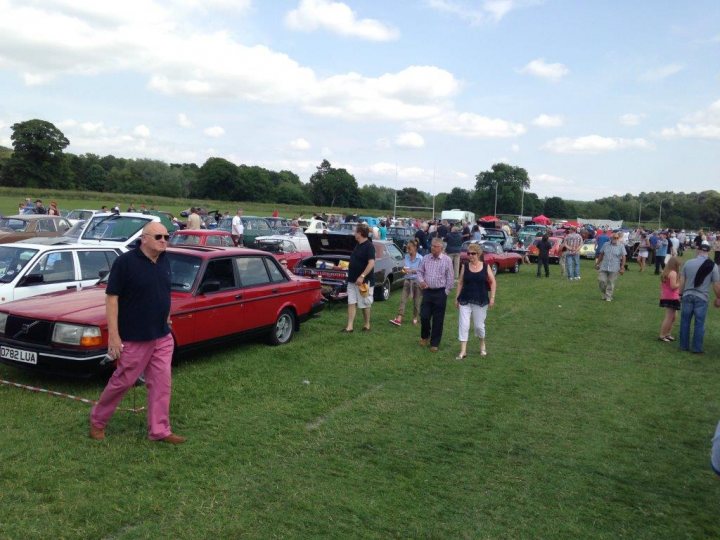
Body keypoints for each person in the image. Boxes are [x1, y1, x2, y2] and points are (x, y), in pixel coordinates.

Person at [89, 222, 185, 444]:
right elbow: (112, 298)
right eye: (159, 237)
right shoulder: (125, 263)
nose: (164, 241)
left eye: (166, 237)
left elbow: (164, 291)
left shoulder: (164, 260)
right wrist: (114, 335)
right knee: (123, 381)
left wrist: (167, 315)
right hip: (134, 337)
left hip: (161, 335)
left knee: (162, 383)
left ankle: (159, 430)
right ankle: (98, 421)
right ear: (145, 239)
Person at [454, 243, 496, 359]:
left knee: (479, 326)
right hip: (465, 299)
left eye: (473, 253)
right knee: (464, 324)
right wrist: (457, 298)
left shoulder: (486, 266)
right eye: (468, 253)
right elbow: (461, 282)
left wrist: (492, 298)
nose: (470, 256)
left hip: (480, 300)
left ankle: (482, 343)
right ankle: (463, 351)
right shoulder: (465, 266)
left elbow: (492, 282)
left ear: (478, 254)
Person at [678, 241, 720, 353]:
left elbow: (682, 281)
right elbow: (716, 285)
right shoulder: (713, 266)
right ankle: (696, 348)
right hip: (702, 297)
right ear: (709, 251)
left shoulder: (688, 263)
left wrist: (679, 294)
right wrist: (718, 297)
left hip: (687, 294)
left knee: (685, 321)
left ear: (698, 250)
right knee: (699, 323)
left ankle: (683, 345)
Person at [416, 237, 455, 352]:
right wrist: (422, 281)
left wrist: (446, 292)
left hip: (440, 292)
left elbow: (450, 277)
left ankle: (435, 343)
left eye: (435, 246)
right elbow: (419, 271)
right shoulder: (426, 258)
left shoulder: (447, 260)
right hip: (427, 291)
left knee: (438, 319)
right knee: (424, 316)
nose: (432, 248)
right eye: (432, 245)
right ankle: (425, 336)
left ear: (441, 248)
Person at [341, 223, 375, 333]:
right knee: (351, 302)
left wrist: (362, 276)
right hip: (352, 280)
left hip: (364, 281)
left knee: (365, 303)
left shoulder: (369, 246)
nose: (354, 233)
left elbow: (371, 263)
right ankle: (349, 327)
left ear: (360, 233)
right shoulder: (357, 245)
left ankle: (367, 324)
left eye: (355, 231)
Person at [389, 239, 423, 327]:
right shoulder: (406, 257)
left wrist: (412, 271)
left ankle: (415, 317)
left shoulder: (420, 258)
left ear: (415, 248)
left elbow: (421, 271)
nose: (407, 250)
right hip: (407, 281)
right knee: (403, 300)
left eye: (409, 248)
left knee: (416, 301)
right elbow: (404, 268)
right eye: (407, 248)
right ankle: (399, 318)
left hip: (416, 282)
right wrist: (404, 270)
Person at [595, 232, 626, 302]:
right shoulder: (606, 244)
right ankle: (604, 293)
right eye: (614, 238)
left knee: (610, 282)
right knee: (601, 281)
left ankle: (608, 296)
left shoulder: (621, 246)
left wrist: (622, 267)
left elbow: (624, 257)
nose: (615, 239)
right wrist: (597, 264)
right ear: (611, 238)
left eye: (617, 238)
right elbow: (601, 254)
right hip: (604, 266)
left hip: (614, 267)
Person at [658, 256, 681, 342]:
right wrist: (680, 282)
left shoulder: (665, 272)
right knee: (669, 317)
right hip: (672, 297)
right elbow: (673, 286)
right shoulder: (673, 273)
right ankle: (662, 335)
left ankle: (667, 333)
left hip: (666, 296)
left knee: (674, 317)